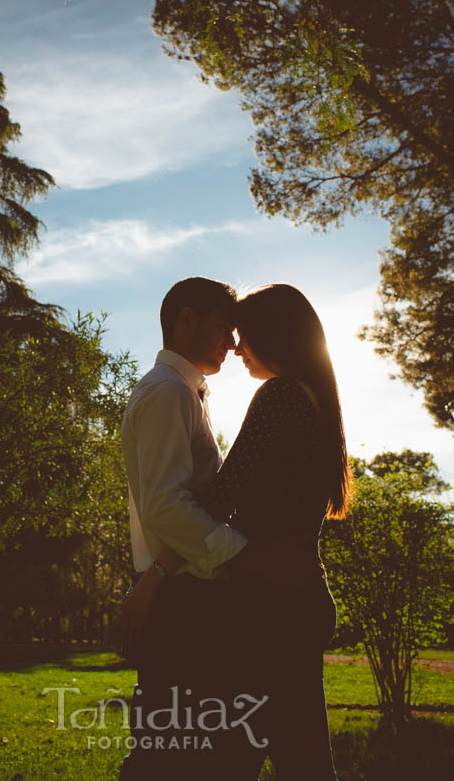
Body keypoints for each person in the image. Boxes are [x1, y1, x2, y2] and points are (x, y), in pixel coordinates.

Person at [121, 283, 350, 780]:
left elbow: (223, 499)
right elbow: (227, 503)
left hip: (276, 603)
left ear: (275, 336)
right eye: (230, 332)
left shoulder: (281, 396)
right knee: (295, 757)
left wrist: (156, 575)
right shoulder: (309, 398)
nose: (236, 346)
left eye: (243, 334)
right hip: (295, 595)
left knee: (239, 755)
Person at [117, 276, 252, 779]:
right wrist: (237, 553)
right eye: (224, 328)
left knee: (183, 750)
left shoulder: (186, 391)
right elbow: (165, 505)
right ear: (187, 319)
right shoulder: (167, 392)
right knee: (167, 753)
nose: (233, 343)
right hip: (183, 603)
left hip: (181, 591)